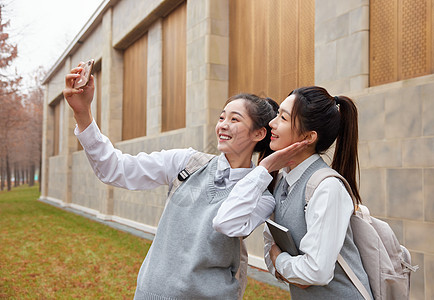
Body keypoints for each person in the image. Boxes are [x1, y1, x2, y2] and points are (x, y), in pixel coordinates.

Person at [63, 65, 290, 299]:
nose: (222, 124)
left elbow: (227, 223)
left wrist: (262, 172)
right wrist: (83, 114)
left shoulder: (262, 198)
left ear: (258, 134)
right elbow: (114, 169)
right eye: (222, 117)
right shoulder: (186, 163)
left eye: (235, 119)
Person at [224, 86, 372, 299]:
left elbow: (315, 272)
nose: (272, 124)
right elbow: (265, 245)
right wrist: (264, 168)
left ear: (309, 137)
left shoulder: (327, 188)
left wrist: (280, 261)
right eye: (277, 115)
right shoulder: (282, 181)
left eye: (283, 118)